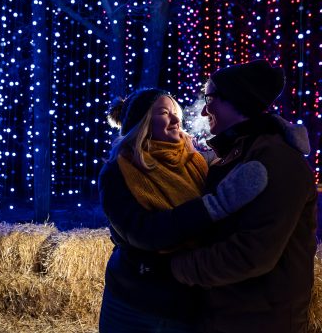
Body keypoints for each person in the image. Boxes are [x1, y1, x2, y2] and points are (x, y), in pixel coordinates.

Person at [99, 88, 268, 333]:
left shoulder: (196, 160)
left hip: (183, 304)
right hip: (131, 300)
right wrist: (213, 207)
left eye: (176, 113)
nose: (176, 119)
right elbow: (145, 233)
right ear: (142, 123)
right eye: (165, 113)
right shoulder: (118, 171)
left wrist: (275, 133)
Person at [171, 59, 317, 333]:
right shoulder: (238, 153)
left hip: (259, 321)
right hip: (229, 313)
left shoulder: (276, 161)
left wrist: (176, 267)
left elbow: (251, 255)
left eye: (210, 98)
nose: (203, 110)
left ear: (236, 100)